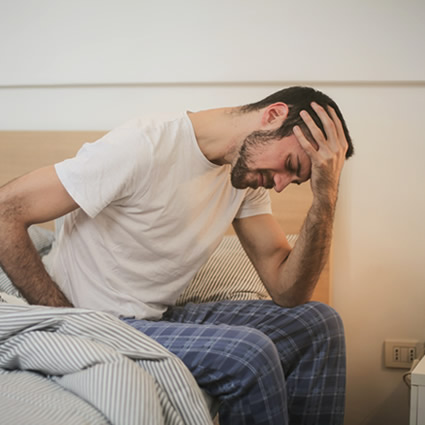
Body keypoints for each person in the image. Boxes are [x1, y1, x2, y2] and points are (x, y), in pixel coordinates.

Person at [0, 86, 353, 424]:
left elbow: (288, 291)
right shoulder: (144, 145)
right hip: (99, 319)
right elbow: (6, 210)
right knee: (249, 353)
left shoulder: (244, 179)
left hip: (153, 318)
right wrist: (68, 320)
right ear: (273, 115)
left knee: (318, 324)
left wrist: (325, 198)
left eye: (294, 180)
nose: (279, 183)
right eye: (290, 164)